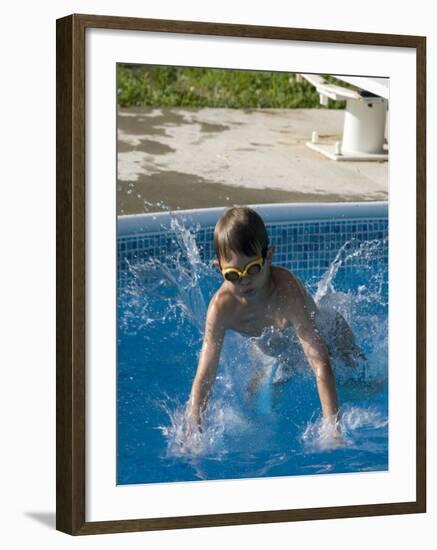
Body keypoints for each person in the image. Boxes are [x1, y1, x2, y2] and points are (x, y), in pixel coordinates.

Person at [186, 206, 362, 437]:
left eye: (253, 269)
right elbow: (205, 375)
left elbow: (319, 361)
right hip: (278, 351)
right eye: (233, 274)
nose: (244, 281)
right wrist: (193, 432)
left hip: (329, 334)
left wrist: (333, 428)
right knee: (252, 404)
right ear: (219, 268)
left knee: (356, 384)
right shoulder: (221, 307)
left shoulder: (286, 292)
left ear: (269, 256)